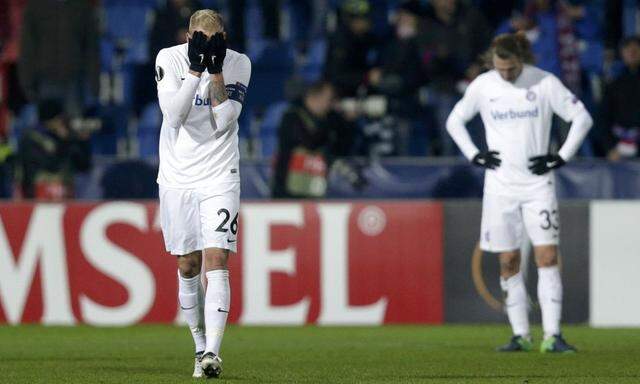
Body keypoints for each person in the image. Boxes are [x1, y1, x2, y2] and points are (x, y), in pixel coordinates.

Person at [446, 33, 592, 353]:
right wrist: (474, 154)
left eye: (511, 69)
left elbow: (582, 118)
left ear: (521, 60)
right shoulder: (484, 85)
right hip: (499, 188)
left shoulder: (544, 83)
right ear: (492, 63)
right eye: (500, 69)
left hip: (538, 186)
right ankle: (520, 335)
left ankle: (553, 335)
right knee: (509, 260)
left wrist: (562, 156)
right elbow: (454, 121)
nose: (506, 75)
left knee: (547, 256)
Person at [154, 9, 251, 378]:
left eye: (213, 40)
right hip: (177, 177)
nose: (205, 45)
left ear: (222, 37)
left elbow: (225, 119)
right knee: (187, 265)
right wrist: (195, 70)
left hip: (220, 174)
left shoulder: (239, 63)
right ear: (189, 35)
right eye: (199, 38)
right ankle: (197, 346)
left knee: (217, 260)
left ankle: (213, 352)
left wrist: (216, 70)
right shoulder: (170, 57)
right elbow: (173, 117)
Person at [272, 80, 360, 198]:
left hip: (315, 189)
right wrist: (332, 121)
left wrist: (348, 123)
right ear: (315, 96)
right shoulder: (292, 117)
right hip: (287, 192)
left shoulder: (329, 120)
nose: (332, 104)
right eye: (330, 99)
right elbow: (310, 143)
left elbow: (342, 148)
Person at [17, 98, 92, 199]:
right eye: (59, 118)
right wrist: (64, 142)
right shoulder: (32, 139)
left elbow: (84, 166)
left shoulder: (64, 137)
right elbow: (50, 166)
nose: (62, 122)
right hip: (40, 195)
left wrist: (83, 142)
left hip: (65, 194)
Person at [600, 36, 640, 160]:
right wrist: (610, 148)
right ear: (622, 53)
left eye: (636, 48)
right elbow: (603, 119)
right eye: (627, 48)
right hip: (618, 149)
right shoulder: (614, 85)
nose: (632, 52)